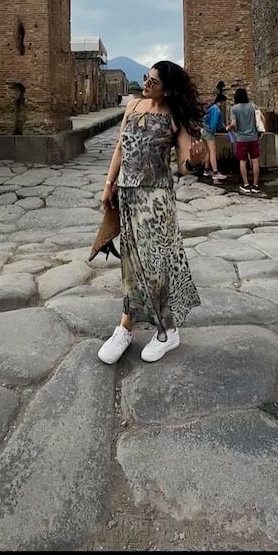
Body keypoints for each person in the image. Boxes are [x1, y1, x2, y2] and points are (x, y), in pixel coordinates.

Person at [97, 61, 205, 365]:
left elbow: (185, 165)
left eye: (152, 81)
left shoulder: (175, 118)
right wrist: (109, 185)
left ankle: (167, 330)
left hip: (156, 201)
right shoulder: (133, 105)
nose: (145, 83)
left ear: (167, 89)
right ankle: (125, 328)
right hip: (129, 197)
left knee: (155, 265)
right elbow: (120, 147)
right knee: (131, 263)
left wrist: (195, 160)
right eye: (146, 78)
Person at [227, 87, 261, 195]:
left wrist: (229, 128)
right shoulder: (253, 106)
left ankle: (246, 184)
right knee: (255, 160)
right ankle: (255, 185)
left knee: (242, 161)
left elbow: (234, 124)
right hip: (253, 137)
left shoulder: (234, 108)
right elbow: (262, 119)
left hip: (241, 138)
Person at [200, 93, 228, 181]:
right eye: (224, 103)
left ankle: (206, 170)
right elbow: (215, 123)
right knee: (212, 151)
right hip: (209, 131)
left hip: (203, 130)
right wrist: (213, 131)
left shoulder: (211, 107)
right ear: (222, 101)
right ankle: (215, 172)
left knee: (207, 152)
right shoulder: (216, 109)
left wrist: (224, 127)